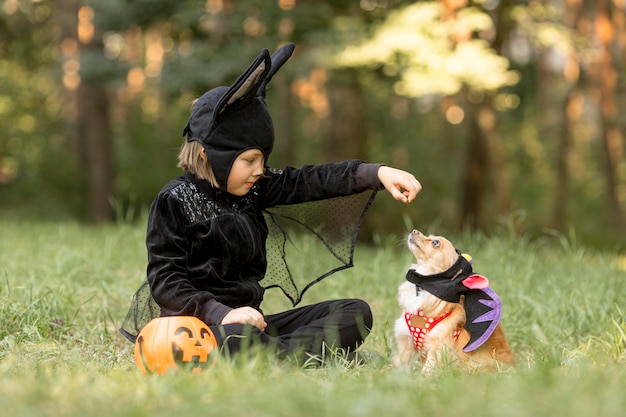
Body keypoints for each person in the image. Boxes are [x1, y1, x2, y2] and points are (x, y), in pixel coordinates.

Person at [120, 43, 421, 365]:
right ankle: (312, 357)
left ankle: (279, 357)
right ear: (210, 154)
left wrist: (376, 172)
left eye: (262, 159)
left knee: (354, 312)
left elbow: (310, 180)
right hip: (201, 330)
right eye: (249, 159)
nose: (259, 170)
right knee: (235, 338)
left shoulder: (254, 190)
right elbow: (166, 282)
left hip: (254, 328)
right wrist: (224, 313)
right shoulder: (175, 200)